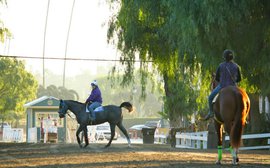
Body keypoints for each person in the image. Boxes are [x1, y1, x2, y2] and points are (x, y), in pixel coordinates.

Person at [204, 49, 242, 120]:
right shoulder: (236, 66)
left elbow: (217, 78)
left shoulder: (220, 66)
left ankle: (211, 112)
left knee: (210, 98)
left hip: (222, 86)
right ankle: (245, 116)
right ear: (232, 57)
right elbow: (239, 79)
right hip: (233, 86)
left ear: (224, 57)